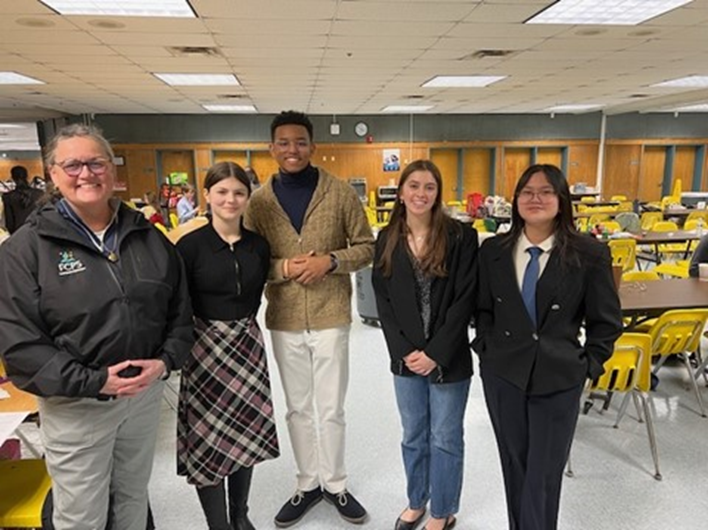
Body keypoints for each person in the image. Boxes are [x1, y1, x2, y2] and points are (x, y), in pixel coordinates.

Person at [0, 124, 194, 530]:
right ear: (53, 173)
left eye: (95, 163)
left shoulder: (147, 236)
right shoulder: (25, 250)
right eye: (72, 165)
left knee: (133, 501)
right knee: (82, 516)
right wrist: (93, 381)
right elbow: (20, 345)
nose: (85, 174)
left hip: (142, 399)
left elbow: (179, 311)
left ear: (113, 171)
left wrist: (163, 364)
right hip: (77, 407)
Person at [473, 164, 622, 530]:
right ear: (515, 200)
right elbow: (481, 309)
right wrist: (486, 350)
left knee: (543, 472)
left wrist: (589, 365)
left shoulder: (588, 253)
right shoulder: (493, 251)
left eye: (545, 192)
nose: (535, 199)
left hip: (559, 376)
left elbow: (606, 321)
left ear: (561, 201)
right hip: (504, 374)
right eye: (526, 191)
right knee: (515, 464)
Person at [245, 110, 374, 527]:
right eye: (283, 142)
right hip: (283, 317)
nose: (292, 149)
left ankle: (335, 484)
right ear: (272, 148)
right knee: (298, 409)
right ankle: (307, 484)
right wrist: (282, 269)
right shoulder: (259, 202)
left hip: (330, 314)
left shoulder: (339, 193)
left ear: (312, 146)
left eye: (300, 142)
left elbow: (367, 247)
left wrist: (331, 261)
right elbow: (248, 260)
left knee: (331, 408)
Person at [371, 160, 478, 530]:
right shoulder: (387, 239)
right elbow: (383, 302)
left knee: (445, 436)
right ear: (400, 192)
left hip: (449, 358)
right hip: (406, 360)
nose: (420, 194)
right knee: (413, 435)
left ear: (438, 192)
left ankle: (442, 510)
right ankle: (417, 500)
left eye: (429, 187)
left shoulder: (461, 236)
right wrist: (405, 352)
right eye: (413, 186)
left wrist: (435, 353)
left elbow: (465, 298)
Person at [176, 161, 280, 530]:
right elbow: (177, 303)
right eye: (221, 192)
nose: (230, 199)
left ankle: (240, 514)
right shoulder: (189, 247)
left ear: (247, 197)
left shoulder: (258, 246)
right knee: (208, 440)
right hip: (204, 349)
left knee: (244, 435)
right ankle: (217, 524)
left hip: (247, 347)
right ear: (207, 195)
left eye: (238, 192)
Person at [2, 165, 43, 233]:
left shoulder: (8, 197)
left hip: (19, 234)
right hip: (39, 231)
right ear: (27, 176)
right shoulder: (39, 194)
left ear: (12, 178)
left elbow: (10, 223)